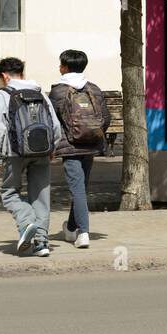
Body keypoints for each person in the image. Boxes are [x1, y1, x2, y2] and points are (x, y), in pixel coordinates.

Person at [0, 57, 62, 257]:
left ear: (4, 76)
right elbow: (55, 124)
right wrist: (53, 146)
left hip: (14, 151)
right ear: (22, 72)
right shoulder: (39, 92)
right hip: (42, 151)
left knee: (9, 192)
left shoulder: (4, 94)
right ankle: (41, 243)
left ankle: (27, 221)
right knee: (41, 196)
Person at [49, 49, 110, 249]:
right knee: (80, 188)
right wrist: (92, 134)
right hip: (91, 144)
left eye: (61, 64)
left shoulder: (58, 90)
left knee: (78, 189)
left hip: (70, 147)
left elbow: (52, 121)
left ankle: (83, 233)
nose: (59, 67)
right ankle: (71, 227)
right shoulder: (94, 89)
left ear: (65, 67)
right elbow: (105, 118)